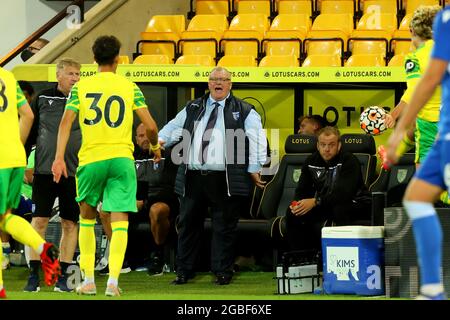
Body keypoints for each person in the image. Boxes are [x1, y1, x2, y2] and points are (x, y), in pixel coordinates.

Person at [51, 35, 161, 297]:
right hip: (122, 159)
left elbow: (66, 123)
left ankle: (88, 281)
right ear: (118, 59)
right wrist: (155, 148)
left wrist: (58, 157)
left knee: (86, 219)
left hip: (91, 159)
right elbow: (152, 126)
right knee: (120, 219)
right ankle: (112, 282)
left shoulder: (81, 87)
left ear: (94, 59)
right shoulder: (129, 86)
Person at [159, 66, 267, 285]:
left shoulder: (244, 110)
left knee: (224, 226)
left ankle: (222, 271)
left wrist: (254, 168)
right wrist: (158, 142)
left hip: (225, 177)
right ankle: (184, 270)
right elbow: (174, 127)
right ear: (208, 83)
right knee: (188, 224)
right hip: (194, 175)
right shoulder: (193, 106)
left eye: (223, 79)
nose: (218, 83)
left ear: (230, 84)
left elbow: (257, 139)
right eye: (214, 79)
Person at [385, 6, 450, 300]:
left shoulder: (417, 57)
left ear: (413, 31)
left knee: (420, 198)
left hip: (432, 130)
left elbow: (416, 91)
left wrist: (397, 123)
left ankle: (433, 287)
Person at [0, 66, 60, 299]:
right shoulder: (7, 76)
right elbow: (28, 115)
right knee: (4, 219)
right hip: (15, 156)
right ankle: (43, 248)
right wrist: (15, 146)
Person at [22, 58, 81, 293]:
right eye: (71, 74)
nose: (75, 79)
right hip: (45, 171)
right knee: (39, 222)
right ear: (58, 75)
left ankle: (64, 276)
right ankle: (34, 274)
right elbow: (30, 133)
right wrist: (20, 160)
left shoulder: (85, 100)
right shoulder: (43, 98)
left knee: (70, 223)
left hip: (74, 172)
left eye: (78, 74)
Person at [286, 126, 371, 253]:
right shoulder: (310, 161)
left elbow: (343, 194)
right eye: (323, 144)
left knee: (340, 208)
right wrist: (297, 204)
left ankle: (342, 256)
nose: (327, 149)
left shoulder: (349, 161)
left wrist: (315, 202)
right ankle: (301, 259)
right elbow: (302, 189)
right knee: (293, 213)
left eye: (331, 145)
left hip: (356, 202)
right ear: (317, 146)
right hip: (326, 203)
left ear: (339, 145)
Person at [383, 5, 442, 168]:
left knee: (425, 185)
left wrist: (393, 115)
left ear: (412, 31)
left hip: (430, 125)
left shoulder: (414, 59)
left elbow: (414, 91)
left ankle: (391, 153)